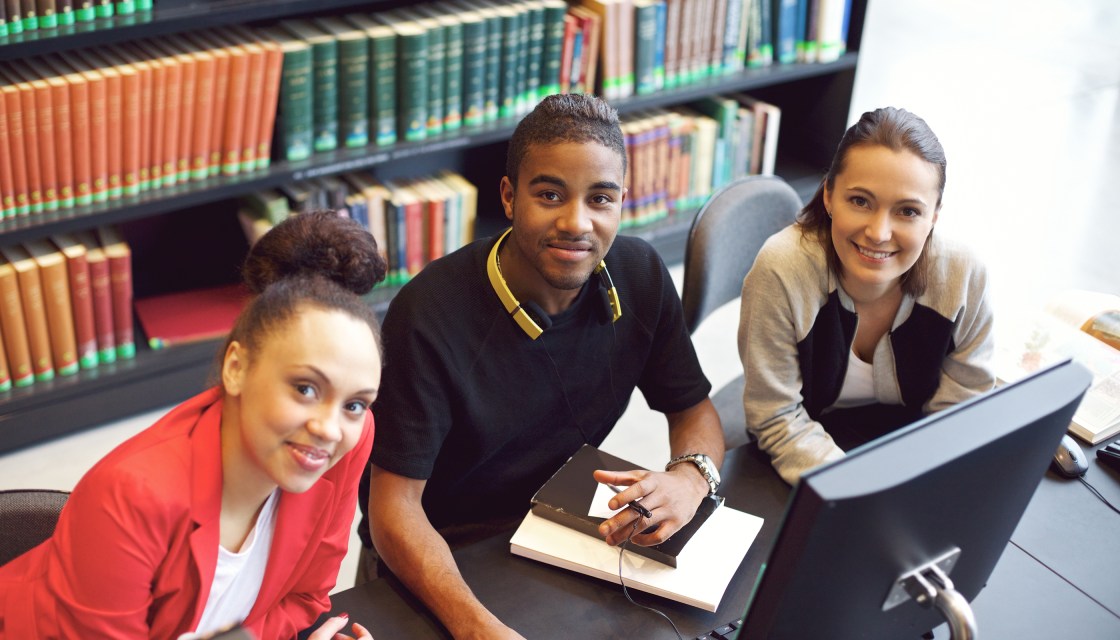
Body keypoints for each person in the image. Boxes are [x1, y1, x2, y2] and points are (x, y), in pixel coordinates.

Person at [358, 93, 725, 639]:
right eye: (550, 195)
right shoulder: (427, 314)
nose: (576, 223)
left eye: (600, 199)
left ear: (622, 202)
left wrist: (691, 479)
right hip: (437, 557)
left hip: (558, 529)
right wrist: (477, 629)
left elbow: (693, 410)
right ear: (509, 197)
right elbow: (393, 512)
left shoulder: (640, 274)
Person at [0, 212, 385, 640]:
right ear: (236, 368)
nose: (330, 428)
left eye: (355, 403)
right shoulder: (128, 497)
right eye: (305, 388)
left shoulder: (347, 439)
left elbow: (304, 598)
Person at [738, 107, 996, 485]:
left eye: (908, 211)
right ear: (829, 195)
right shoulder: (782, 268)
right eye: (860, 201)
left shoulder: (963, 275)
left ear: (934, 217)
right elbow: (776, 415)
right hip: (804, 452)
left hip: (908, 446)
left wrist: (917, 483)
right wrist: (857, 489)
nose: (879, 233)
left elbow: (962, 408)